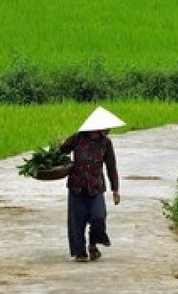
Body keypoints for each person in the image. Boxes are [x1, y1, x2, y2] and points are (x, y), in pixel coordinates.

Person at [59, 106, 124, 262]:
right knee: (77, 221)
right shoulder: (78, 138)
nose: (109, 130)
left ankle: (93, 244)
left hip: (96, 187)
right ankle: (80, 252)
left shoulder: (106, 144)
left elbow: (111, 167)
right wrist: (59, 148)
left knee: (99, 217)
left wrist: (115, 190)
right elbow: (62, 150)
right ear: (98, 127)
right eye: (106, 127)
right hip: (77, 186)